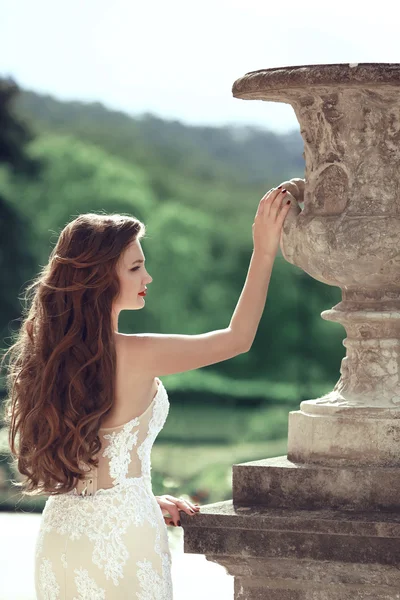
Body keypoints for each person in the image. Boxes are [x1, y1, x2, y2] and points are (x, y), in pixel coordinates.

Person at [2, 186, 290, 599]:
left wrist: (142, 497)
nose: (147, 278)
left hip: (60, 537)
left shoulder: (44, 361)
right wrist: (264, 252)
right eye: (136, 267)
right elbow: (237, 339)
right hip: (126, 536)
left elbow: (84, 467)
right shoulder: (138, 354)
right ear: (102, 276)